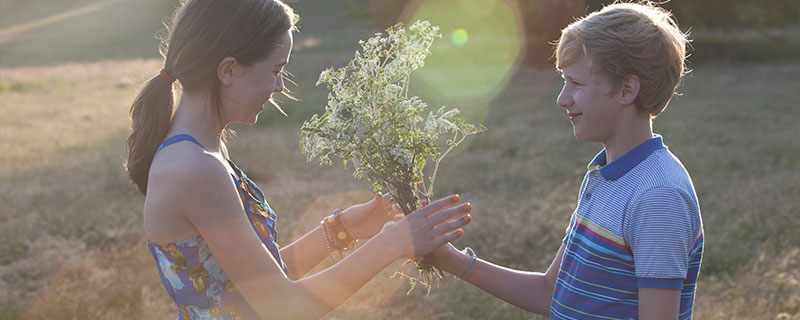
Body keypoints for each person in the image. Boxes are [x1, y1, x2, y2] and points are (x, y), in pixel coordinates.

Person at [124, 0, 472, 318]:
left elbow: (257, 281)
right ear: (227, 70)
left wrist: (342, 229)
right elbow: (283, 307)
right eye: (276, 70)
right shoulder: (195, 169)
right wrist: (392, 243)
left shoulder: (204, 153)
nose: (279, 86)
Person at [431, 2, 703, 319]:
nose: (562, 98)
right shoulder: (603, 176)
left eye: (575, 83)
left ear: (627, 89)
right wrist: (451, 261)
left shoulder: (658, 197)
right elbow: (552, 293)